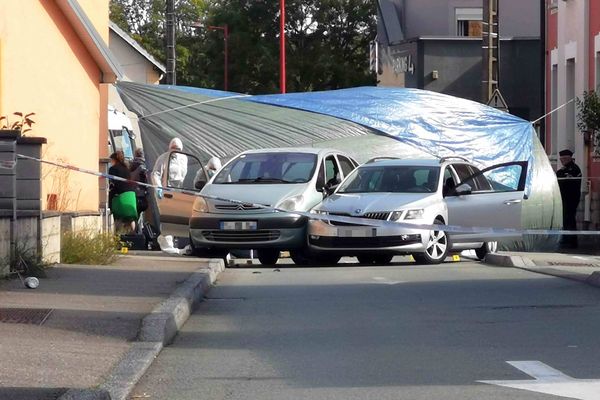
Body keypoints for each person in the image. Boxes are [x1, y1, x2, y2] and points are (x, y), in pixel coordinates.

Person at [556, 149, 582, 248]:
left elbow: (568, 183)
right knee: (565, 219)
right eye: (561, 159)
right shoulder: (563, 170)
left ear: (569, 158)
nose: (562, 160)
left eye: (564, 159)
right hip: (564, 198)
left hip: (571, 198)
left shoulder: (574, 169)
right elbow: (558, 176)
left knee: (569, 219)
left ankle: (570, 241)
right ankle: (566, 239)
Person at [109, 151, 137, 232]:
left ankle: (116, 235)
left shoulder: (113, 169)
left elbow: (112, 183)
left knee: (117, 216)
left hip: (121, 195)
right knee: (131, 218)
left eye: (111, 160)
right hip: (131, 196)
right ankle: (134, 234)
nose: (111, 162)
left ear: (114, 160)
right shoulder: (126, 168)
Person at [130, 148, 149, 215]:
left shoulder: (130, 164)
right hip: (140, 194)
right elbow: (147, 181)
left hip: (130, 193)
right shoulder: (143, 167)